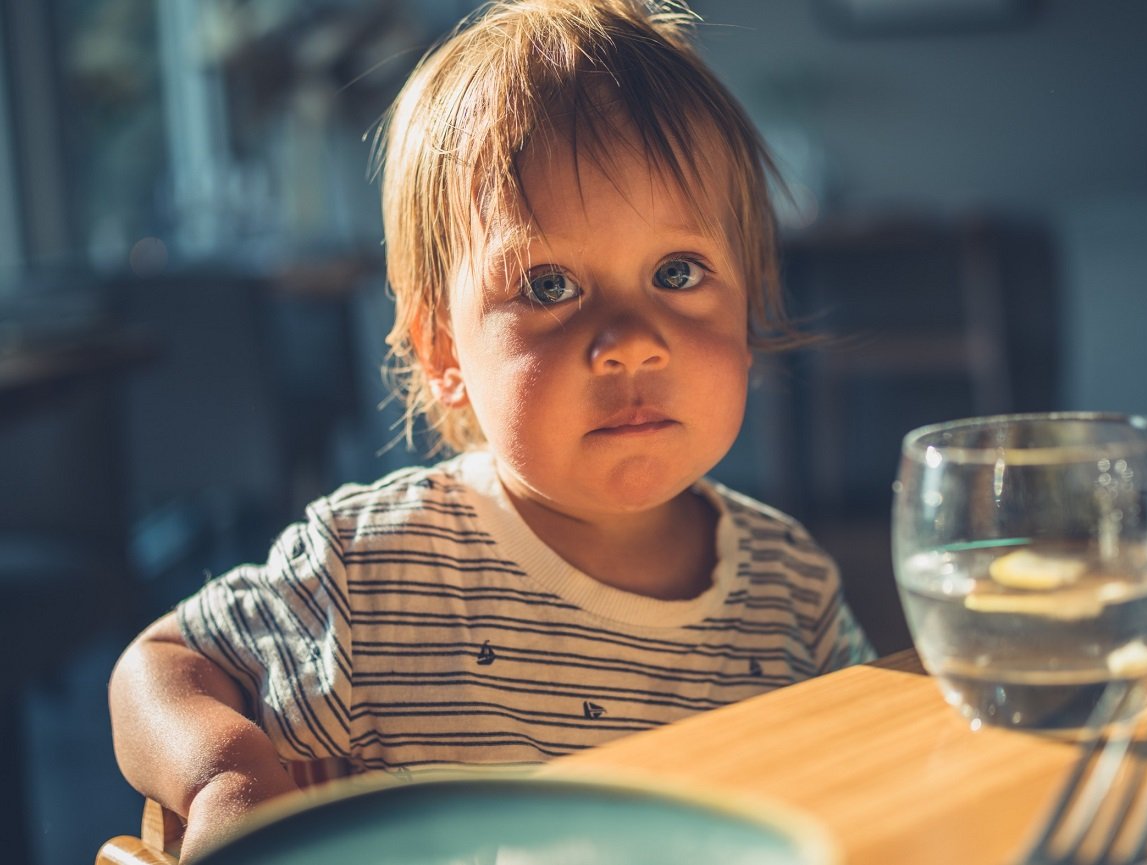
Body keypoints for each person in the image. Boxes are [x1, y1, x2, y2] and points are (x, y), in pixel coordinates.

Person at [108, 0, 874, 859]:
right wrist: (228, 777)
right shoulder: (373, 569)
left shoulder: (790, 587)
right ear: (443, 349)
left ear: (747, 306)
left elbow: (874, 772)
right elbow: (157, 666)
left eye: (676, 271)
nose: (631, 341)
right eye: (549, 286)